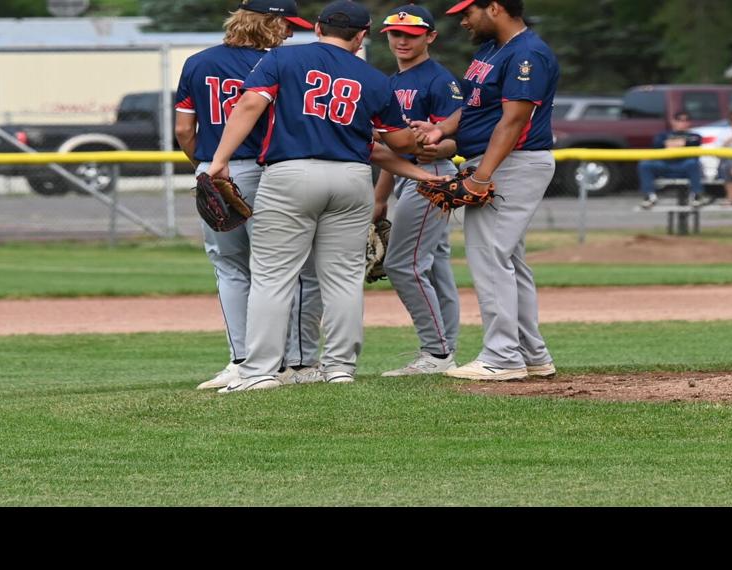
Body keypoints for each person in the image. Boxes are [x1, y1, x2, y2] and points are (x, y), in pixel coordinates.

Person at [204, 0, 443, 392]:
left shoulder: (283, 59)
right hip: (352, 178)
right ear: (362, 35)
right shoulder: (374, 78)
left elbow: (250, 102)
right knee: (344, 278)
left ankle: (260, 371)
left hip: (291, 174)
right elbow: (398, 142)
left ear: (317, 27)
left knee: (272, 276)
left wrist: (220, 159)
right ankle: (340, 368)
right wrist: (419, 140)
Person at [174, 0, 327, 390]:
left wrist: (205, 166)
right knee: (285, 268)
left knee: (230, 268)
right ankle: (295, 363)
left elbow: (183, 130)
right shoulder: (283, 64)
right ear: (268, 22)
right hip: (268, 173)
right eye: (286, 24)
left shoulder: (198, 62)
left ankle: (241, 360)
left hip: (214, 169)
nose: (291, 32)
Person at [422, 0, 558, 381]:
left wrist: (482, 175)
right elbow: (474, 106)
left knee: (489, 257)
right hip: (499, 162)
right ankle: (532, 354)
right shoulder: (491, 51)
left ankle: (502, 358)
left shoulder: (527, 53)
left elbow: (514, 121)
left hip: (512, 162)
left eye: (468, 12)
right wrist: (441, 129)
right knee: (509, 262)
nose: (463, 20)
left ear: (495, 7)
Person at [371, 5, 467, 377]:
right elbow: (392, 151)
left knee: (403, 265)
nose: (402, 40)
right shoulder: (390, 83)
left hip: (432, 176)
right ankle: (445, 352)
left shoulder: (439, 80)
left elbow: (454, 138)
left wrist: (437, 145)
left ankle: (437, 353)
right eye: (395, 34)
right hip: (407, 175)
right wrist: (380, 199)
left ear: (430, 36)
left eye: (411, 34)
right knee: (436, 267)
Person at [637, 111, 710, 209]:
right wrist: (679, 143)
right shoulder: (663, 135)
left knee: (693, 163)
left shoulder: (694, 135)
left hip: (685, 166)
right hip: (665, 165)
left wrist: (675, 143)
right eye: (679, 120)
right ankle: (649, 196)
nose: (682, 123)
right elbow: (657, 143)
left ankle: (696, 196)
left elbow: (696, 141)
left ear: (689, 123)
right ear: (673, 122)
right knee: (645, 165)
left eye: (685, 120)